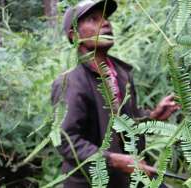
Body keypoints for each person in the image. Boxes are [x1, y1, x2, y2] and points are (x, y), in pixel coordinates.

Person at [51, 0, 180, 187]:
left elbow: (123, 123)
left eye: (105, 18)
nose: (105, 23)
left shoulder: (120, 73)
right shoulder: (70, 83)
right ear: (74, 36)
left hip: (130, 179)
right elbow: (66, 140)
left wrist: (152, 116)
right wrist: (113, 159)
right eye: (93, 19)